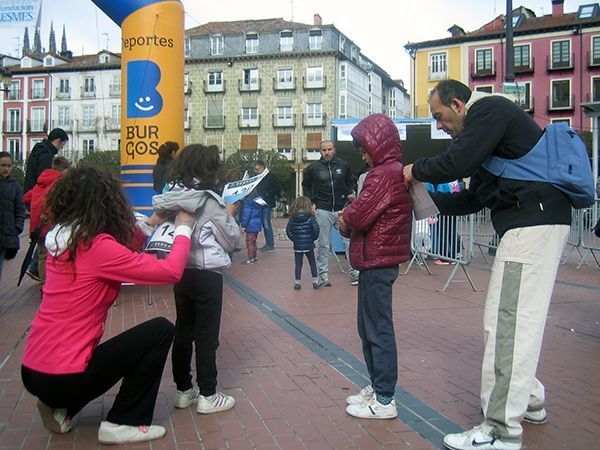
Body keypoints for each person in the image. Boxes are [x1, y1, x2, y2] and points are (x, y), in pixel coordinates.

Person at [403, 80, 571, 450]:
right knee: (512, 320)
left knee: (506, 323)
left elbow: (455, 162)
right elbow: (473, 199)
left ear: (459, 105)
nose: (440, 126)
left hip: (531, 225)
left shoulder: (489, 110)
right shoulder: (492, 135)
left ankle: (501, 430)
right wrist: (417, 201)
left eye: (440, 117)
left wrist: (415, 170)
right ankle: (529, 400)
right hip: (533, 222)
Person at [20, 166, 196, 445]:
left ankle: (59, 406)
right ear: (106, 205)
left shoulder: (64, 240)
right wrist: (184, 227)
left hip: (33, 371)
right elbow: (171, 272)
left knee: (91, 360)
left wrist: (151, 221)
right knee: (160, 331)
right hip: (62, 377)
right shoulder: (97, 247)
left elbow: (121, 252)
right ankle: (124, 421)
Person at [155, 144, 241, 415]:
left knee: (183, 330)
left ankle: (183, 390)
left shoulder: (172, 197)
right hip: (207, 273)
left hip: (180, 270)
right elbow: (231, 240)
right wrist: (229, 214)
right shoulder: (208, 201)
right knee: (206, 335)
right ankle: (208, 393)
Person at [338, 113, 412, 419]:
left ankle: (384, 398)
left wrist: (345, 216)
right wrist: (349, 216)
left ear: (377, 145)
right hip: (376, 259)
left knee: (376, 329)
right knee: (368, 327)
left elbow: (357, 215)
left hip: (377, 260)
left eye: (365, 149)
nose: (363, 156)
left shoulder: (384, 174)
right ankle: (377, 387)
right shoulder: (389, 170)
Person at [302, 139, 357, 287]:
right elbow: (305, 186)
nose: (327, 152)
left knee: (349, 241)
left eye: (329, 149)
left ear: (334, 150)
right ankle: (323, 274)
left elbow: (351, 181)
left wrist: (351, 192)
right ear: (320, 152)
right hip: (323, 209)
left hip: (342, 208)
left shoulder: (343, 165)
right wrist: (311, 202)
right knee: (323, 244)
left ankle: (354, 271)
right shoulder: (313, 168)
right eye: (324, 150)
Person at [22, 128, 69, 281]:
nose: (61, 148)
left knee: (43, 248)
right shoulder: (48, 158)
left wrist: (34, 203)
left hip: (36, 207)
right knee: (49, 250)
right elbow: (50, 195)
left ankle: (39, 273)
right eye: (62, 145)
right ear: (59, 141)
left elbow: (28, 196)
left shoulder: (38, 150)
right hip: (46, 216)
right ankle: (44, 278)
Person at [0, 152, 25, 282]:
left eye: (9, 166)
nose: (6, 169)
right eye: (3, 165)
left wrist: (17, 227)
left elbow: (20, 209)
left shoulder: (14, 186)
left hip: (6, 234)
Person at [285, 196, 320, 290]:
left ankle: (297, 282)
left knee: (298, 264)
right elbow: (316, 229)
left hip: (298, 245)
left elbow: (288, 230)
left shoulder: (292, 217)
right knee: (312, 263)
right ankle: (315, 281)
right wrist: (312, 238)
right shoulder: (311, 216)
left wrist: (294, 239)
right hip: (309, 244)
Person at [425, 180, 462, 265]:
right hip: (453, 206)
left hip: (444, 207)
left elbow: (437, 193)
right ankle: (455, 253)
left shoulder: (441, 181)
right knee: (451, 231)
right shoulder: (451, 179)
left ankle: (445, 257)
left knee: (443, 231)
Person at [254, 160, 280, 253]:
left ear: (262, 168)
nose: (255, 171)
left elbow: (277, 188)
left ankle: (270, 244)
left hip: (267, 202)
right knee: (264, 223)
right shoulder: (258, 177)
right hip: (259, 202)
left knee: (266, 223)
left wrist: (268, 194)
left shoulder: (271, 176)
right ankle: (268, 243)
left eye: (257, 169)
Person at [239, 190, 263, 264]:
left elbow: (246, 216)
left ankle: (251, 258)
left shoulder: (248, 203)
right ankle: (254, 256)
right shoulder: (259, 202)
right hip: (257, 224)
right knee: (253, 241)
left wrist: (243, 226)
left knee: (249, 242)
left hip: (250, 225)